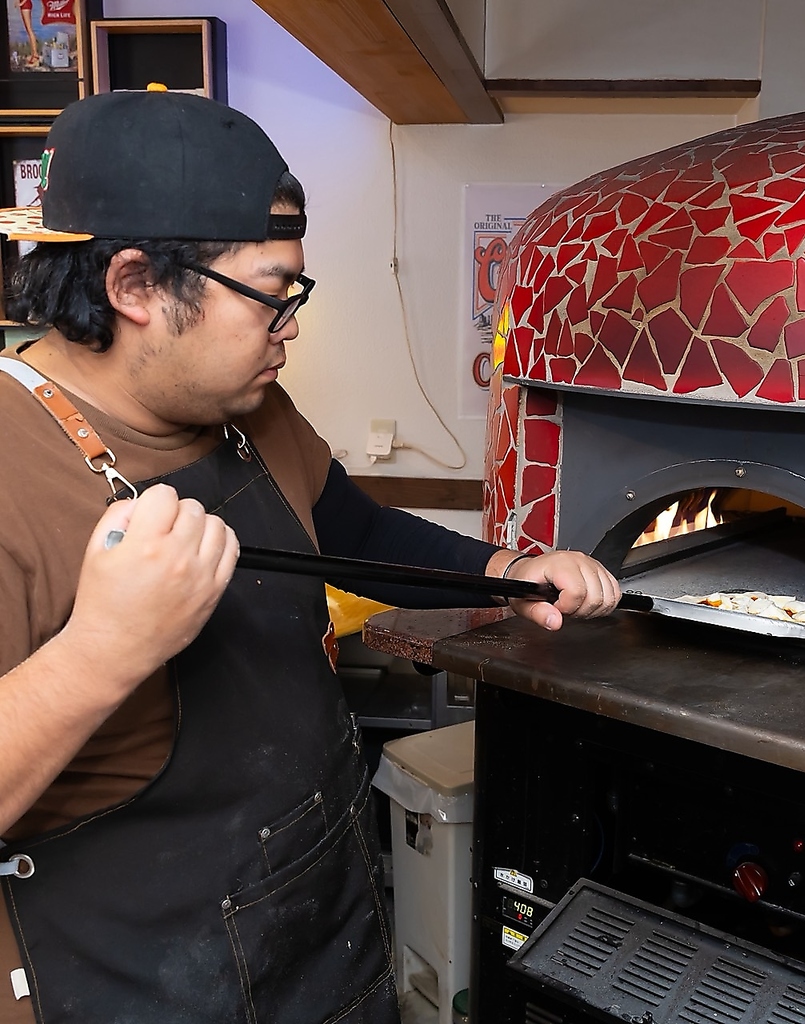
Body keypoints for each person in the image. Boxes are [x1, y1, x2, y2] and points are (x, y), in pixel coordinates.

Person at [0, 88, 621, 1024]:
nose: (289, 325)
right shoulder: (13, 467)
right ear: (132, 287)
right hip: (138, 983)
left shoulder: (243, 407)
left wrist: (499, 571)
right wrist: (104, 649)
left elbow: (352, 531)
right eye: (268, 293)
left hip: (318, 933)